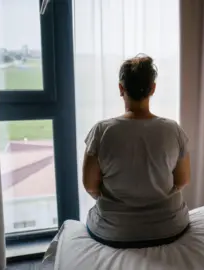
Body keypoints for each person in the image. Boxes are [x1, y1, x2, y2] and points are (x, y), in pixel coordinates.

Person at [82, 54, 191, 249]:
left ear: (121, 89)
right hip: (169, 227)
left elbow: (90, 185)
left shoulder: (101, 131)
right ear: (153, 89)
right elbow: (182, 181)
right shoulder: (173, 130)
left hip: (113, 230)